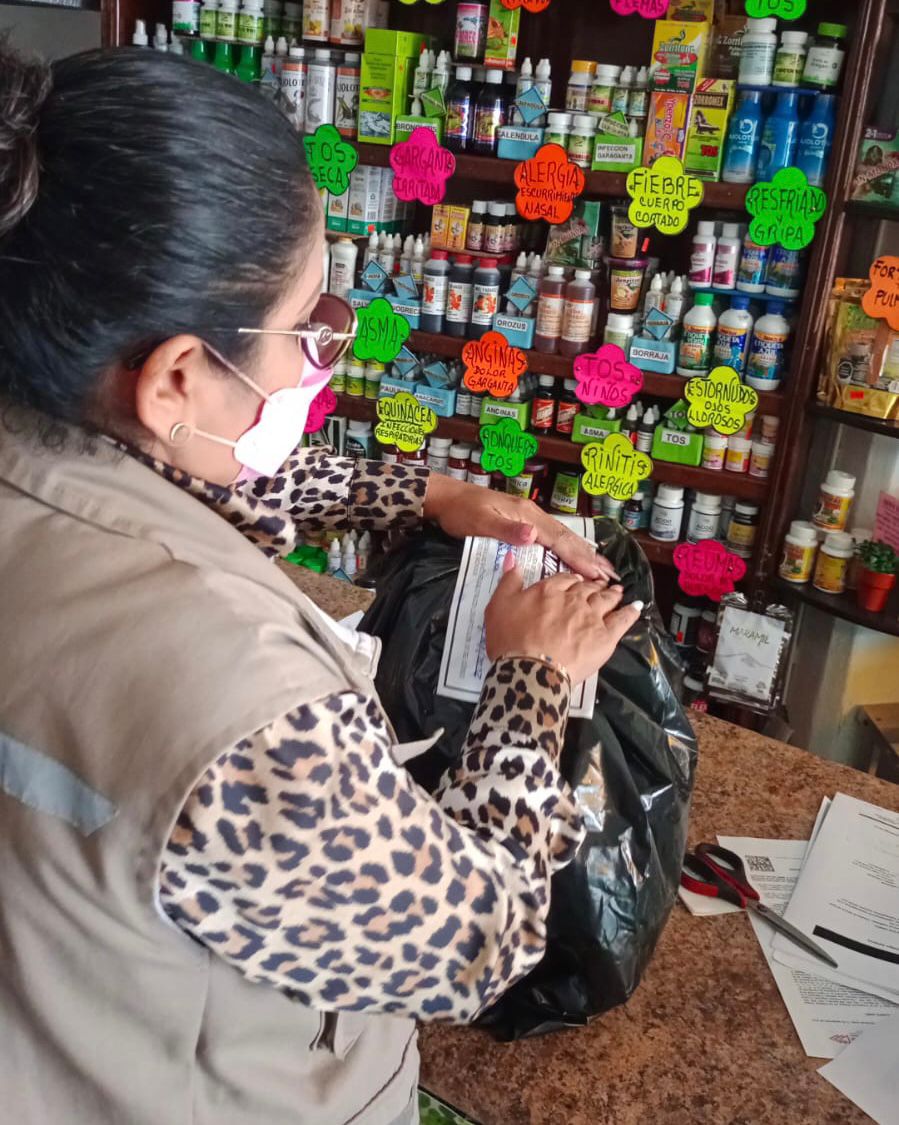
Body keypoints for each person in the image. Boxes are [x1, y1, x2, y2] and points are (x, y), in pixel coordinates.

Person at [0, 44, 642, 1125]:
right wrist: (533, 678)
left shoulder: (41, 409)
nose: (316, 361)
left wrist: (425, 493)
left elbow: (162, 475)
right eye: (308, 328)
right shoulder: (246, 707)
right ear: (174, 377)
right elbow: (470, 946)